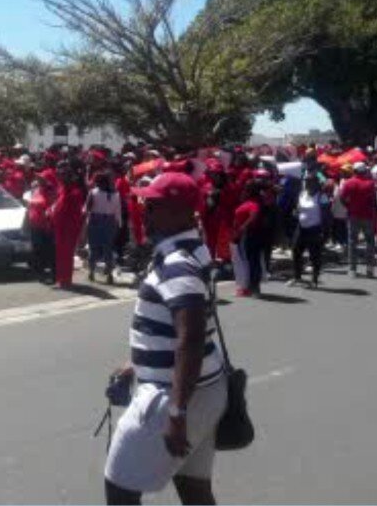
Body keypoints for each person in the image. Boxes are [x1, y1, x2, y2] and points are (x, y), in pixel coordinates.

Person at [103, 172, 227, 506]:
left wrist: (176, 412)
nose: (144, 210)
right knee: (193, 487)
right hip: (203, 387)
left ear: (180, 211)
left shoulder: (177, 266)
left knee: (120, 488)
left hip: (171, 395)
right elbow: (181, 329)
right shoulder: (194, 250)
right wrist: (138, 361)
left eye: (153, 205)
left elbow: (191, 339)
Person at [50, 162, 87, 290]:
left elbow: (76, 214)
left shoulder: (75, 193)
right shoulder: (61, 189)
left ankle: (66, 280)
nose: (60, 177)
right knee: (60, 254)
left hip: (69, 229)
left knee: (66, 255)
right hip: (59, 227)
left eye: (63, 175)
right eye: (59, 175)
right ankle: (61, 279)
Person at [338, 163, 377, 278]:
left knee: (352, 242)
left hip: (353, 215)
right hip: (368, 216)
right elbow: (374, 201)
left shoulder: (348, 183)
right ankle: (369, 269)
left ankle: (352, 269)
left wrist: (348, 206)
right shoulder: (370, 184)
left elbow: (342, 197)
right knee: (369, 242)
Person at [289, 174, 328, 288]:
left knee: (315, 255)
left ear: (316, 183)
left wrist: (325, 232)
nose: (307, 184)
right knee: (296, 251)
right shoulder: (302, 194)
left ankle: (314, 280)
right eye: (306, 182)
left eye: (310, 182)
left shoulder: (321, 196)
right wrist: (296, 212)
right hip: (301, 228)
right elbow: (298, 209)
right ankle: (297, 277)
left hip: (315, 229)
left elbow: (326, 216)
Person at [231, 179, 268, 298]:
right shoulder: (248, 201)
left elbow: (254, 215)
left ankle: (255, 288)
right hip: (244, 235)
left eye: (246, 189)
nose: (243, 191)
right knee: (247, 261)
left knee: (253, 262)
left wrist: (243, 228)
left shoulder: (255, 203)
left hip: (251, 235)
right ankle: (248, 286)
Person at [85, 170, 123, 282]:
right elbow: (118, 211)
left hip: (95, 221)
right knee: (108, 248)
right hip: (111, 222)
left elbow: (87, 209)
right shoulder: (116, 194)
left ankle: (91, 272)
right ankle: (109, 274)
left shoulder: (93, 193)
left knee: (93, 247)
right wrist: (119, 224)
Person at [26, 173, 57, 284]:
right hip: (35, 226)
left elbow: (53, 208)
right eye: (38, 178)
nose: (39, 180)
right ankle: (40, 274)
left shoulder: (51, 192)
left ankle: (53, 274)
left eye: (41, 179)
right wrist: (26, 222)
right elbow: (30, 206)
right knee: (37, 250)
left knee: (49, 250)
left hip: (46, 226)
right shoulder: (36, 190)